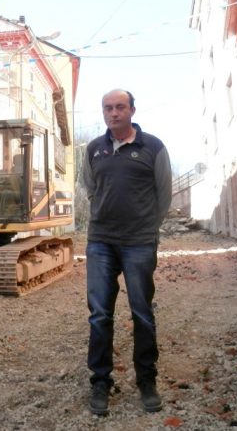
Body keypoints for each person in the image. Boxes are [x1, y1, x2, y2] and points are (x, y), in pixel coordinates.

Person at [81, 89, 172, 415]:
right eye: (108, 108)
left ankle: (147, 380)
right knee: (100, 315)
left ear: (132, 110)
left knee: (142, 313)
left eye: (120, 107)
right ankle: (100, 383)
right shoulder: (94, 149)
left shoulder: (153, 147)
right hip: (101, 242)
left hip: (139, 243)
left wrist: (147, 231)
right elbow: (91, 188)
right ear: (103, 112)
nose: (114, 113)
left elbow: (163, 195)